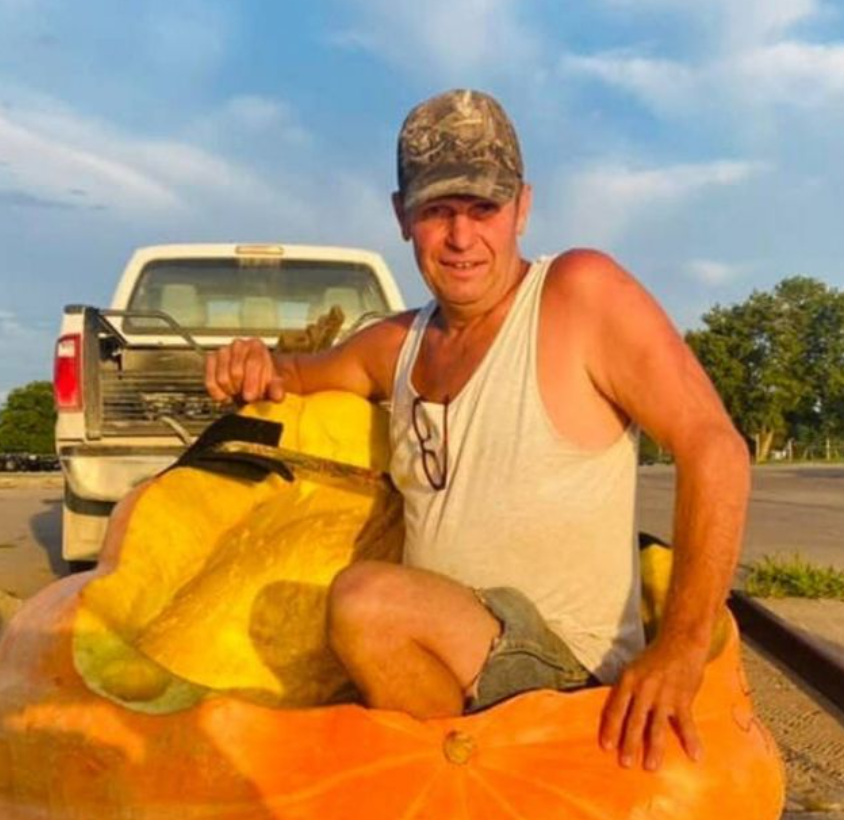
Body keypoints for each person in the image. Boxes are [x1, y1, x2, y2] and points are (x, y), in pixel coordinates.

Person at [204, 88, 750, 772]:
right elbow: (295, 375)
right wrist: (252, 361)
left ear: (522, 207)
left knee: (367, 602)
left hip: (568, 672)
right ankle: (461, 805)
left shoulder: (578, 294)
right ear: (401, 217)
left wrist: (680, 647)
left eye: (482, 208)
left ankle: (485, 791)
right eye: (437, 211)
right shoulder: (398, 342)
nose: (462, 237)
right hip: (454, 661)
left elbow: (714, 445)